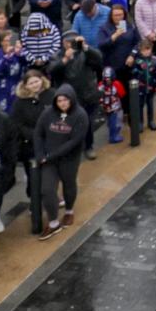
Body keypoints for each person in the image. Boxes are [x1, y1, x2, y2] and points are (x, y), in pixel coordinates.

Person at [33, 86, 90, 235]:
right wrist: (40, 154)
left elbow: (74, 141)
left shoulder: (80, 115)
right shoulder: (48, 113)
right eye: (59, 100)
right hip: (49, 160)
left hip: (68, 159)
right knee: (47, 190)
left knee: (69, 184)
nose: (63, 103)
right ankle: (53, 222)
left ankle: (69, 210)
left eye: (66, 100)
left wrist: (50, 156)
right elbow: (38, 133)